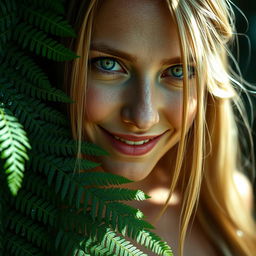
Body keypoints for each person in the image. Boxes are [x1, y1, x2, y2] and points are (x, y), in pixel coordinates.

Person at [64, 0, 256, 255]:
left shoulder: (230, 202)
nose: (144, 117)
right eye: (108, 64)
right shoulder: (21, 220)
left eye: (178, 71)